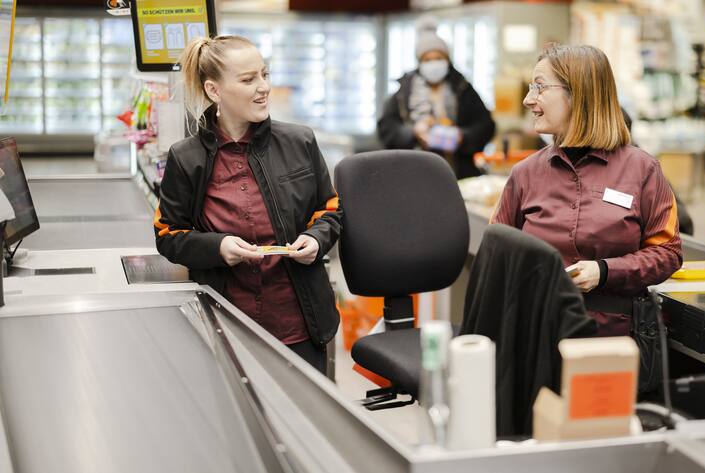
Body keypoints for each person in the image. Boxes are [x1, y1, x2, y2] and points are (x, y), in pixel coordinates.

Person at [154, 36, 341, 373]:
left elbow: (330, 209)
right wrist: (218, 246)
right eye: (248, 79)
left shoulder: (300, 142)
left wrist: (316, 239)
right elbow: (168, 234)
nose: (263, 87)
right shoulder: (186, 159)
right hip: (226, 324)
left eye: (264, 75)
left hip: (299, 324)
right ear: (214, 90)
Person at [492, 44, 682, 336]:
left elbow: (667, 252)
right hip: (537, 334)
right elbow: (496, 255)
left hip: (611, 338)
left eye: (540, 87)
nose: (529, 100)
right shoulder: (525, 174)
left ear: (579, 93)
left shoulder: (643, 170)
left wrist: (605, 271)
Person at [377, 17, 495, 179]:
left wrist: (462, 136)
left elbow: (486, 125)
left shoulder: (462, 87)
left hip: (457, 171)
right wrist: (413, 132)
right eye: (427, 60)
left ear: (447, 60)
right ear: (419, 62)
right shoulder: (404, 91)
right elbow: (387, 128)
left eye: (439, 58)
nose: (434, 64)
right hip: (412, 173)